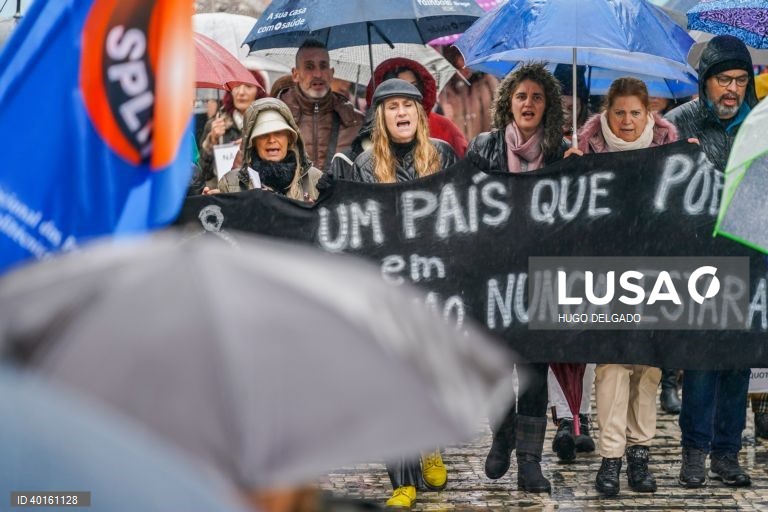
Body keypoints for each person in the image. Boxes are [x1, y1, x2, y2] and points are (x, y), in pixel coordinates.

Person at [467, 63, 576, 493]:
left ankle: (530, 460)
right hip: (493, 274)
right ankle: (503, 431)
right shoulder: (484, 146)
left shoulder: (560, 151)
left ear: (548, 105)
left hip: (541, 275)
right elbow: (464, 203)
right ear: (508, 103)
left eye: (537, 97)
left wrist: (577, 171)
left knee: (533, 369)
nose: (528, 103)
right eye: (521, 96)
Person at [351, 79, 456, 508]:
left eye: (408, 105)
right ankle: (402, 480)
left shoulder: (443, 155)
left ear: (420, 113)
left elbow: (462, 210)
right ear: (381, 115)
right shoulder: (364, 164)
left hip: (434, 282)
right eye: (392, 106)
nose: (401, 113)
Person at [576, 77, 679, 496]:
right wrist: (571, 170)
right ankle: (611, 456)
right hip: (606, 274)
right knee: (612, 367)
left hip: (656, 273)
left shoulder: (670, 147)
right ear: (607, 113)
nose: (627, 121)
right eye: (619, 112)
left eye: (635, 112)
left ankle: (640, 453)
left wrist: (689, 163)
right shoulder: (587, 149)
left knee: (648, 367)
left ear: (648, 113)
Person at [664, 34, 758, 489]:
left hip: (749, 258)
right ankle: (694, 453)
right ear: (705, 82)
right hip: (697, 260)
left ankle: (726, 453)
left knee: (737, 363)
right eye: (724, 79)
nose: (732, 88)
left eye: (740, 80)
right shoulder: (678, 124)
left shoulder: (759, 126)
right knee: (701, 361)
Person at [275, 39, 364, 171]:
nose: (318, 74)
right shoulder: (275, 117)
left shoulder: (355, 122)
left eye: (323, 66)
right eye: (309, 67)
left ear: (331, 73)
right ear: (295, 74)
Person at [217, 97, 322, 202]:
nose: (272, 140)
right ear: (253, 142)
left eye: (278, 133)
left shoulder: (316, 179)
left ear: (289, 138)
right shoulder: (230, 184)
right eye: (263, 134)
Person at [365, 57, 468, 157]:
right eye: (400, 86)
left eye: (413, 85)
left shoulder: (443, 127)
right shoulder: (368, 140)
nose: (407, 92)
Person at [198, 83, 265, 193]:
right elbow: (203, 174)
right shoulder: (215, 124)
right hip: (223, 195)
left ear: (258, 92)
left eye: (248, 86)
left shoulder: (266, 126)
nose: (241, 92)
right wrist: (212, 141)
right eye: (236, 86)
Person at [438, 45, 498, 142]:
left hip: (485, 146)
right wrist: (441, 113)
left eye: (465, 56)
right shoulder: (443, 90)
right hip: (457, 147)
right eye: (457, 56)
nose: (462, 64)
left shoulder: (488, 82)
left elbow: (500, 118)